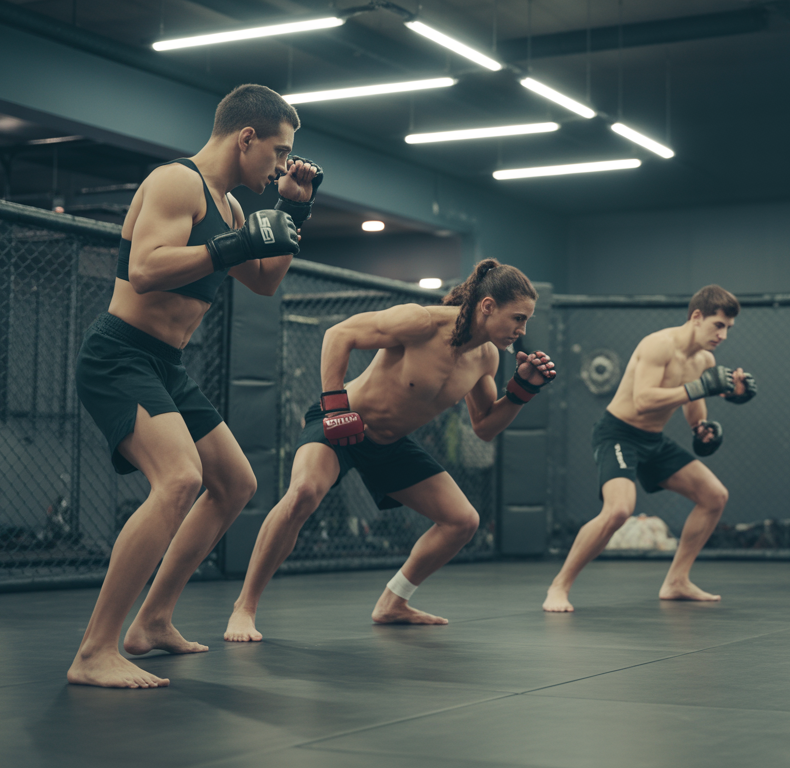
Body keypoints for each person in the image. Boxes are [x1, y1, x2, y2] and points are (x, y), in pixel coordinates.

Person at [68, 84, 321, 689]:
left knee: (235, 483)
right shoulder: (175, 182)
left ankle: (151, 622)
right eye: (279, 153)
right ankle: (94, 650)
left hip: (168, 366)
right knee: (180, 478)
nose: (282, 164)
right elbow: (145, 268)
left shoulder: (231, 209)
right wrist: (232, 244)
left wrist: (292, 210)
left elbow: (263, 282)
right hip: (120, 356)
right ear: (246, 137)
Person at [224, 259, 555, 639]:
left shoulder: (487, 358)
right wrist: (334, 407)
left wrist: (521, 392)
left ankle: (393, 602)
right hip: (343, 422)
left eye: (526, 321)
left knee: (462, 521)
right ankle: (244, 608)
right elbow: (339, 334)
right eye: (518, 318)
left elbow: (484, 427)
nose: (522, 330)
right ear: (487, 306)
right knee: (303, 493)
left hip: (389, 442)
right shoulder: (422, 322)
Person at [543, 285, 756, 612]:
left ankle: (677, 581)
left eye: (728, 328)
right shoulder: (658, 345)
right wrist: (700, 387)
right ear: (696, 317)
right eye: (718, 325)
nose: (723, 335)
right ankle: (559, 586)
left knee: (715, 496)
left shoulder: (704, 359)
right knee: (618, 511)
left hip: (653, 440)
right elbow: (643, 400)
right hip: (618, 434)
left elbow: (692, 407)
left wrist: (703, 430)